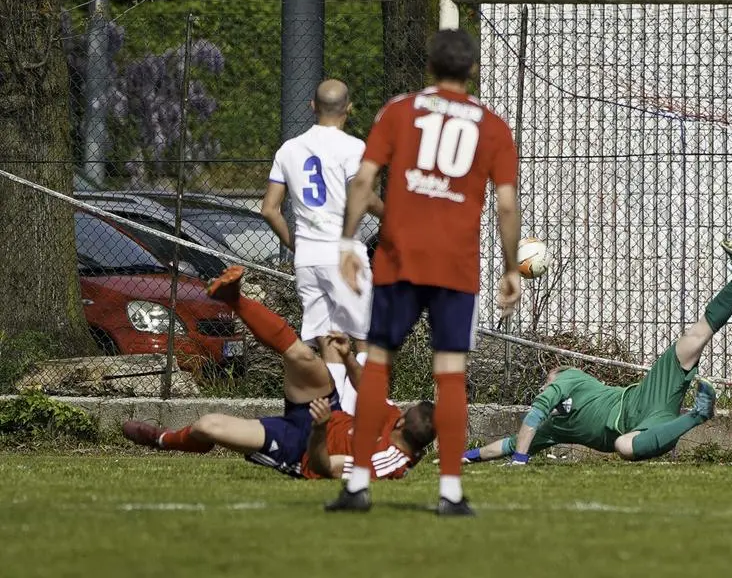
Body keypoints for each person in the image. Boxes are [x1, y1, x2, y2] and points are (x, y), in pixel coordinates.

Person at [325, 29, 522, 516]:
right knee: (451, 373)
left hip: (399, 257)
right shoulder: (493, 126)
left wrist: (349, 242)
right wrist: (512, 266)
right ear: (473, 70)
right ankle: (451, 494)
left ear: (429, 67)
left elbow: (365, 178)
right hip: (456, 264)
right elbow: (506, 203)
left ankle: (357, 485)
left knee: (377, 364)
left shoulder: (399, 110)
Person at [462, 240, 732, 465]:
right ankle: (698, 415)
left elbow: (532, 418)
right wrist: (468, 457)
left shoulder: (568, 381)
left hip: (645, 397)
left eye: (550, 376)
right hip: (643, 427)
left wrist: (520, 460)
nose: (546, 380)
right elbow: (512, 442)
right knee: (624, 446)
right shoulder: (556, 427)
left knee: (694, 337)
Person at [122, 266, 434, 480]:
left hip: (300, 447)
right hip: (326, 411)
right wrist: (349, 358)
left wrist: (321, 429)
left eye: (404, 411)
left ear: (405, 422)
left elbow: (324, 467)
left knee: (208, 426)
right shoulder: (393, 421)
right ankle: (234, 299)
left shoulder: (382, 463)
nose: (398, 410)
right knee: (302, 357)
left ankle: (163, 439)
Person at [261, 79, 382, 414]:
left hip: (308, 258)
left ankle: (335, 414)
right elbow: (364, 195)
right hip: (341, 253)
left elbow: (269, 209)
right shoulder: (352, 147)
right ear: (349, 108)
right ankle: (367, 413)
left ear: (312, 106)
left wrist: (296, 247)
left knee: (328, 337)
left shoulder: (288, 150)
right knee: (364, 337)